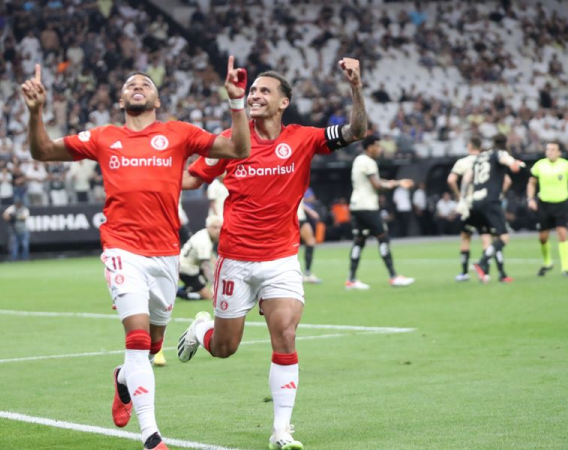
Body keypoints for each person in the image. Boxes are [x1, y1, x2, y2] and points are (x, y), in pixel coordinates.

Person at [21, 58, 250, 450]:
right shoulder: (103, 137)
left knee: (154, 342)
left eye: (145, 82)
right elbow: (43, 151)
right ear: (122, 99)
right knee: (139, 339)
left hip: (165, 254)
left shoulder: (178, 133)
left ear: (158, 99)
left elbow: (238, 148)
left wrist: (236, 102)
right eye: (130, 84)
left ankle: (124, 379)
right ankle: (151, 436)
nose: (137, 85)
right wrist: (37, 111)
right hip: (121, 249)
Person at [178, 58, 367, 450]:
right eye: (253, 91)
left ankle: (281, 430)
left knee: (285, 334)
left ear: (283, 102)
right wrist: (147, 174)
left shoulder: (303, 138)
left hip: (280, 259)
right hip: (236, 259)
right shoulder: (230, 142)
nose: (255, 95)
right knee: (224, 348)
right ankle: (200, 329)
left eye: (265, 91)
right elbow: (193, 177)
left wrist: (356, 87)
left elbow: (356, 131)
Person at [346, 135, 415, 290]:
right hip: (368, 206)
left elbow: (374, 181)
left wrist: (396, 182)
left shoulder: (359, 160)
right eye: (377, 146)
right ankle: (393, 276)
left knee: (359, 240)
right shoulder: (369, 162)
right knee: (383, 237)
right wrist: (396, 185)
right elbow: (377, 185)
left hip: (356, 206)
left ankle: (351, 280)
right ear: (369, 147)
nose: (380, 149)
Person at [464, 134, 525, 283]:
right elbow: (512, 166)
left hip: (475, 202)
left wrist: (463, 199)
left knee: (494, 239)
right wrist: (515, 163)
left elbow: (467, 178)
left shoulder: (481, 156)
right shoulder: (500, 153)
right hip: (490, 201)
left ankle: (501, 274)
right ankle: (482, 263)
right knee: (503, 238)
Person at [448, 136, 503, 281]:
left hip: (469, 204)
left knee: (465, 236)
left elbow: (451, 180)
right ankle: (485, 272)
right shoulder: (488, 160)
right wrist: (497, 195)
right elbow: (507, 180)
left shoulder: (464, 162)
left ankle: (464, 272)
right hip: (485, 202)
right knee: (486, 237)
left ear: (469, 147)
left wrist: (460, 197)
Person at [527, 142, 568, 277]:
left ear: (559, 152)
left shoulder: (566, 165)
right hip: (544, 204)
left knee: (562, 233)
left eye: (553, 149)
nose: (550, 152)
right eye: (548, 149)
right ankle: (547, 262)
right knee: (543, 237)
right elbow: (532, 182)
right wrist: (530, 199)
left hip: (561, 203)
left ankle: (566, 268)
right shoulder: (540, 165)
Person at [176, 215, 222, 301]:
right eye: (214, 227)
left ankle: (186, 289)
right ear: (207, 227)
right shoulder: (204, 241)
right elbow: (206, 265)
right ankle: (178, 292)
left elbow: (211, 258)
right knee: (207, 296)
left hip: (190, 266)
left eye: (220, 227)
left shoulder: (205, 234)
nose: (218, 231)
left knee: (204, 280)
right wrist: (215, 283)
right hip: (187, 269)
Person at [298, 202, 321, 284]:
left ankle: (307, 273)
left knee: (311, 242)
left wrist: (310, 211)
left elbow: (299, 200)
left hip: (300, 217)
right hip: (289, 217)